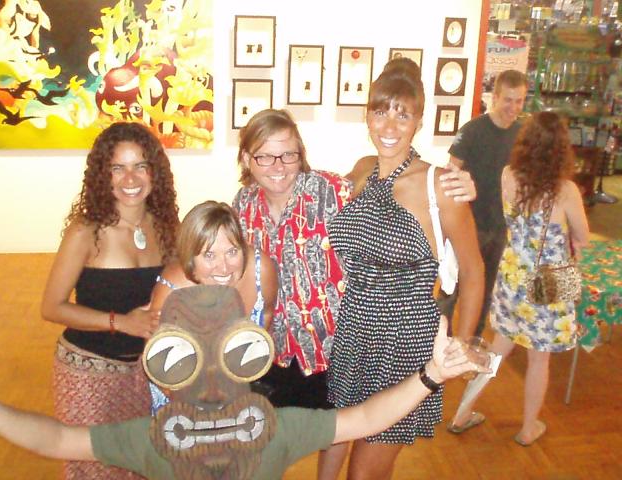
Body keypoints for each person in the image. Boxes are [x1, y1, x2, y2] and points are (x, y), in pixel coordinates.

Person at [0, 285, 489, 480]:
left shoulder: (158, 437)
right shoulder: (268, 428)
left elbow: (57, 440)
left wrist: (431, 375)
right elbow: (362, 420)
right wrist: (429, 377)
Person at [232, 107, 478, 479]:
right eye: (264, 156)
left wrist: (456, 186)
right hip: (273, 348)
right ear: (246, 159)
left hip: (336, 346)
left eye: (288, 154)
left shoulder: (333, 191)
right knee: (266, 444)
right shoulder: (242, 206)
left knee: (340, 431)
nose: (277, 166)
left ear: (301, 154)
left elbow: (396, 184)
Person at [326, 57, 484, 479]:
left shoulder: (441, 185)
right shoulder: (362, 171)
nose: (390, 125)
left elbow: (473, 272)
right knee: (333, 439)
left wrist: (463, 343)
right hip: (352, 330)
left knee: (364, 473)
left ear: (418, 121)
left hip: (404, 343)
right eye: (381, 111)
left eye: (403, 114)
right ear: (367, 116)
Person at [40, 121, 180, 479]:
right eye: (118, 168)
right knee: (95, 469)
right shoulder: (86, 232)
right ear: (104, 175)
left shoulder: (166, 228)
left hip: (146, 374)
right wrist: (121, 322)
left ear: (155, 172)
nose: (130, 178)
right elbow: (52, 307)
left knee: (141, 467)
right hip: (88, 373)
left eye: (140, 166)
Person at [446, 111, 589, 446]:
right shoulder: (566, 190)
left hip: (512, 274)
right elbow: (583, 235)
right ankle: (528, 428)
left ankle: (461, 414)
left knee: (497, 348)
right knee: (539, 359)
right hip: (550, 280)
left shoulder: (508, 175)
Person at [148, 200, 278, 412]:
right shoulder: (172, 291)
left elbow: (266, 318)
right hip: (182, 401)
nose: (224, 267)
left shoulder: (260, 270)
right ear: (190, 257)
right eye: (209, 255)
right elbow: (159, 366)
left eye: (232, 252)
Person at [438, 69, 528, 336]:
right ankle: (437, 340)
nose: (514, 107)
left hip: (500, 226)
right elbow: (450, 173)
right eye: (508, 100)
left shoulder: (523, 135)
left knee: (486, 289)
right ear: (495, 97)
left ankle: (472, 341)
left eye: (519, 101)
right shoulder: (472, 131)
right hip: (467, 223)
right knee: (452, 287)